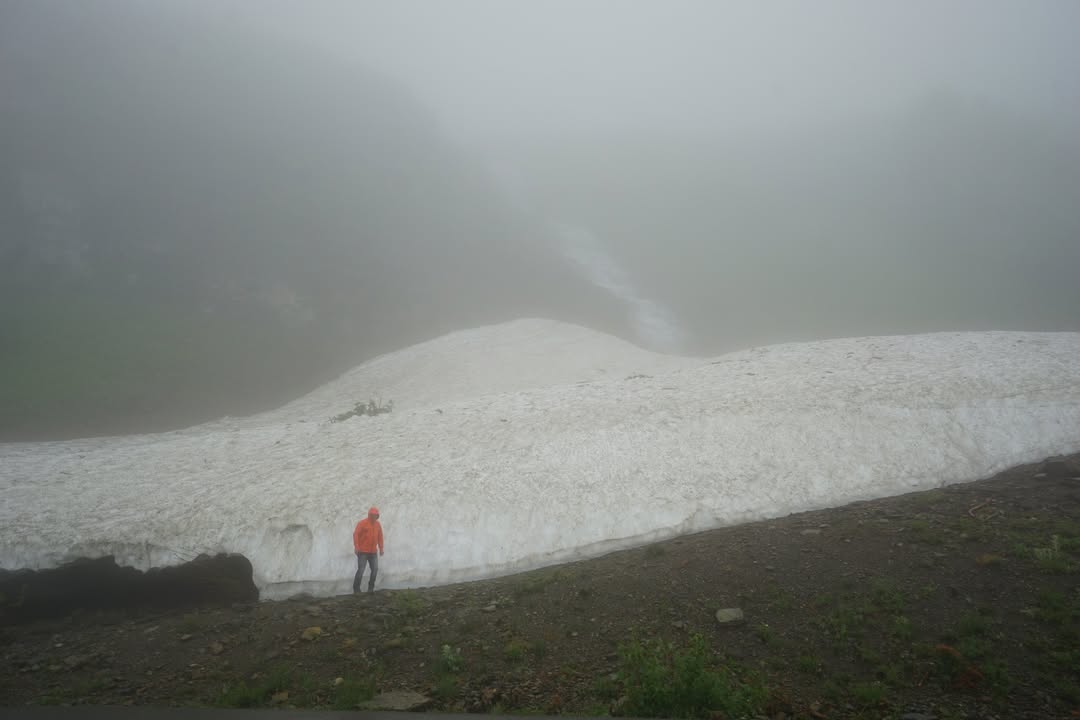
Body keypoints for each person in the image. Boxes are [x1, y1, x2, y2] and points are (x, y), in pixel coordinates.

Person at [353, 506, 384, 593]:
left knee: (375, 569)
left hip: (373, 552)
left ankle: (371, 588)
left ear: (377, 516)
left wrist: (381, 548)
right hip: (362, 552)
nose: (374, 516)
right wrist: (356, 546)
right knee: (361, 570)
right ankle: (356, 589)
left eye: (375, 515)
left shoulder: (378, 525)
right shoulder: (362, 523)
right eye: (372, 515)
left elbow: (380, 537)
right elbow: (356, 534)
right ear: (369, 514)